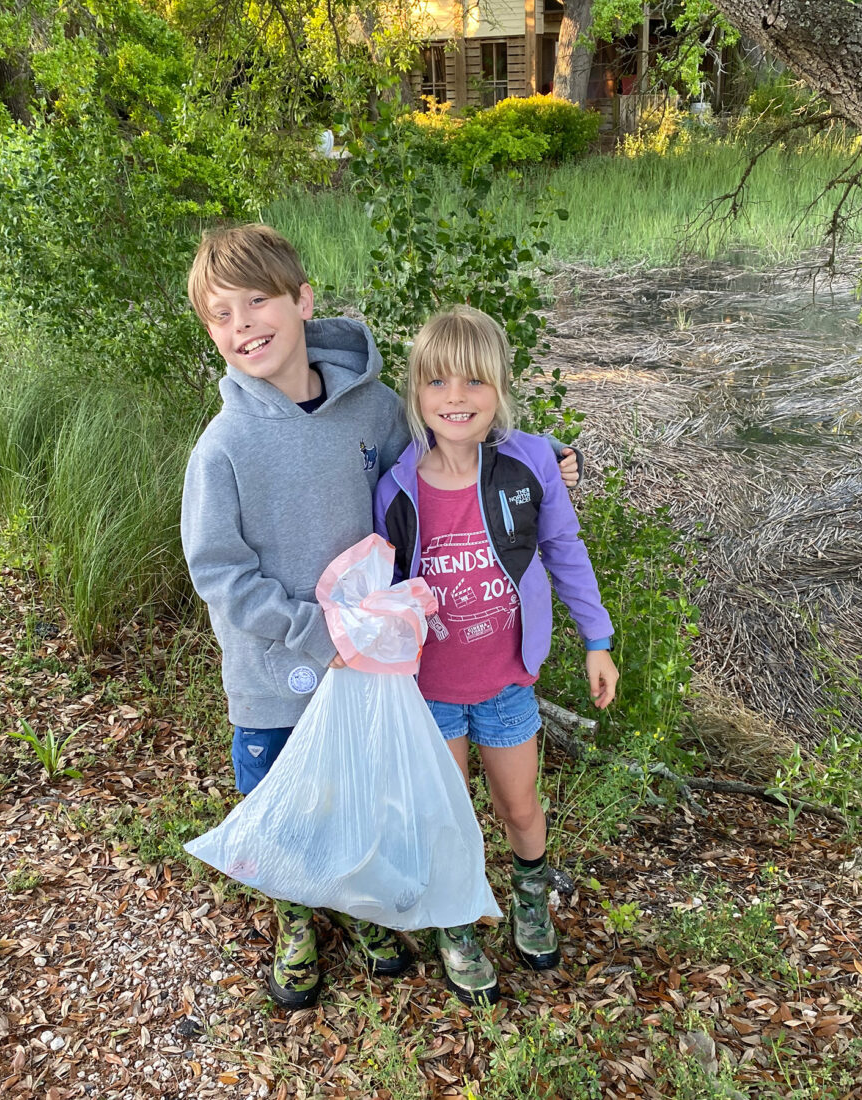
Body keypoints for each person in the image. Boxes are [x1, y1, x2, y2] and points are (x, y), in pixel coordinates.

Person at [179, 226, 580, 1010]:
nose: (243, 325)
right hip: (280, 674)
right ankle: (297, 920)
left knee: (358, 796)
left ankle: (360, 912)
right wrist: (312, 631)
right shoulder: (222, 447)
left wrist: (542, 456)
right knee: (282, 806)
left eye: (257, 302)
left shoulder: (368, 410)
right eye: (221, 315)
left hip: (374, 667)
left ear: (302, 301)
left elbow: (448, 450)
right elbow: (218, 572)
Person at [374, 305, 619, 1006]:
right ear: (416, 393)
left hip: (507, 681)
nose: (456, 398)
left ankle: (531, 900)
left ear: (501, 389)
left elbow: (564, 551)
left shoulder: (530, 463)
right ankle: (456, 923)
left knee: (520, 805)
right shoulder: (396, 487)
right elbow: (382, 589)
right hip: (431, 689)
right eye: (438, 383)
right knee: (447, 814)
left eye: (475, 382)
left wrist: (597, 640)